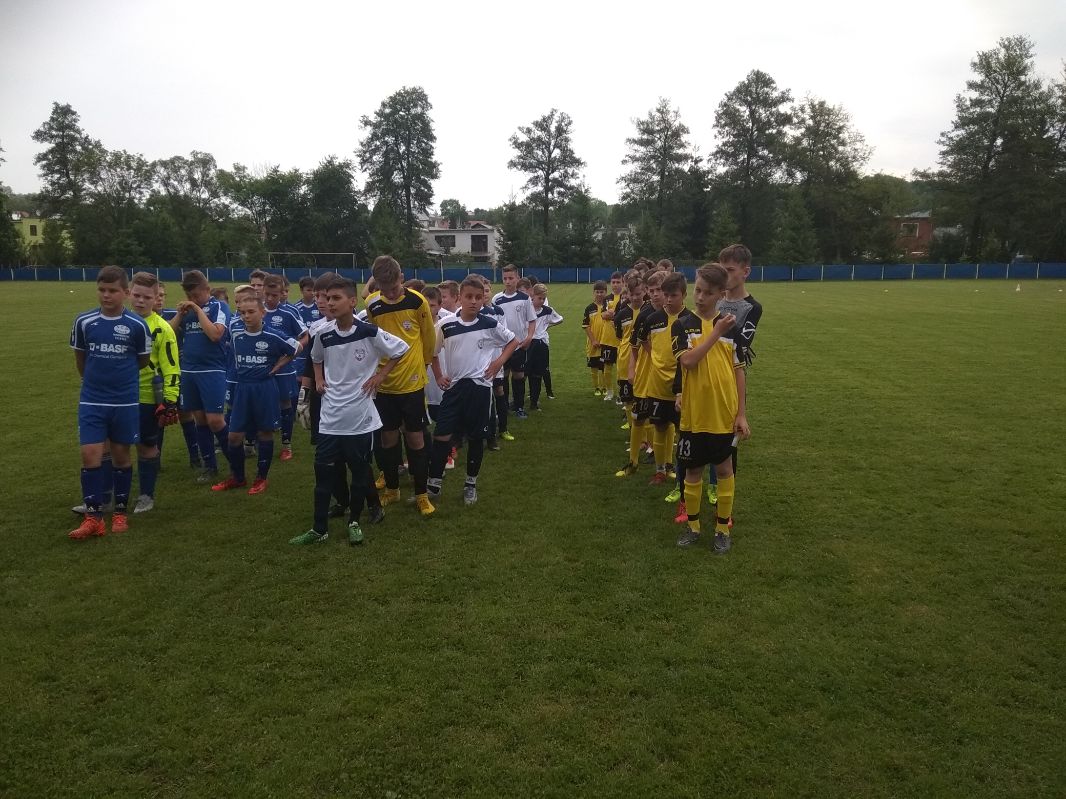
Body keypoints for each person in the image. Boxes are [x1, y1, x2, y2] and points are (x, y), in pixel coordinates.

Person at [290, 278, 409, 545]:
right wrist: (318, 379)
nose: (330, 303)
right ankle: (318, 529)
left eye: (336, 298)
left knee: (359, 473)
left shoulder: (369, 331)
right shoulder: (323, 333)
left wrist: (380, 376)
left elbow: (401, 349)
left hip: (359, 417)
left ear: (352, 301)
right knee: (323, 475)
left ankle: (354, 522)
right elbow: (315, 357)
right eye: (327, 298)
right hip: (330, 418)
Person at [68, 266, 151, 539]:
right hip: (92, 399)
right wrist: (93, 382)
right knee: (90, 454)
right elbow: (81, 359)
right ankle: (93, 517)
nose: (106, 295)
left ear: (125, 293)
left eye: (112, 290)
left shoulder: (137, 325)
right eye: (102, 290)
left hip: (124, 401)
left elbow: (142, 360)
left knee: (121, 456)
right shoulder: (84, 321)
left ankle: (119, 512)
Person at [672, 264, 749, 554]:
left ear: (720, 294)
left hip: (723, 412)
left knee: (725, 468)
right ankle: (693, 527)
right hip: (694, 413)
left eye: (707, 293)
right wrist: (716, 332)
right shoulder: (683, 324)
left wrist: (741, 413)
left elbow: (739, 371)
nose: (700, 297)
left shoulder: (731, 328)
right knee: (692, 470)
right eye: (698, 290)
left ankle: (722, 529)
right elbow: (688, 361)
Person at [426, 276, 519, 506]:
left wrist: (498, 363)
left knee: (477, 437)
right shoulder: (446, 325)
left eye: (478, 297)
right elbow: (433, 353)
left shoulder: (489, 323)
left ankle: (470, 484)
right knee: (441, 435)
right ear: (460, 298)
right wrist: (438, 376)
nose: (474, 301)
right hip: (454, 388)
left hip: (479, 389)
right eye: (469, 297)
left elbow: (513, 341)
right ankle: (434, 483)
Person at [364, 255, 437, 516]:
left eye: (394, 287)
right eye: (385, 289)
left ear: (401, 278)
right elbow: (375, 340)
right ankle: (392, 489)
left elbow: (428, 337)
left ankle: (421, 495)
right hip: (385, 384)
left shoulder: (417, 301)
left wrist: (424, 365)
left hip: (412, 382)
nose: (391, 293)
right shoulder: (372, 304)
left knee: (415, 438)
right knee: (388, 438)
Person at [211, 291, 301, 494]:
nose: (246, 316)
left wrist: (279, 365)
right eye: (242, 312)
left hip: (264, 388)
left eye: (251, 312)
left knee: (264, 432)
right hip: (242, 387)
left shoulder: (273, 335)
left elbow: (296, 347)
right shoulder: (236, 332)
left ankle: (261, 478)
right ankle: (238, 478)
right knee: (234, 436)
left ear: (262, 313)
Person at [170, 269, 230, 483]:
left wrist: (197, 309)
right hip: (189, 371)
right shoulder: (186, 311)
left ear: (207, 289)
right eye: (189, 296)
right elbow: (168, 334)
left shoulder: (218, 307)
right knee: (200, 420)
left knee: (215, 420)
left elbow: (215, 334)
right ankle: (210, 466)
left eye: (196, 295)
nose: (192, 299)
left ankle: (235, 462)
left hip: (212, 371)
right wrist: (180, 314)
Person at [129, 272, 180, 513]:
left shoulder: (162, 329)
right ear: (129, 293)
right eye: (136, 295)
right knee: (114, 446)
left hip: (148, 398)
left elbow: (171, 367)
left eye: (147, 297)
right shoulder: (120, 322)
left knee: (147, 446)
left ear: (155, 298)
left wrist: (170, 400)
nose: (141, 301)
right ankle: (106, 498)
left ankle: (146, 495)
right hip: (118, 397)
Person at [633, 272, 690, 485]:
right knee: (659, 427)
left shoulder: (690, 319)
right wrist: (654, 356)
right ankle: (659, 471)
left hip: (682, 384)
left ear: (684, 295)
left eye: (673, 295)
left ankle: (680, 470)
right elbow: (641, 340)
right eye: (666, 295)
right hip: (657, 383)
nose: (668, 299)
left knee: (683, 430)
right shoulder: (653, 319)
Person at [262, 274, 309, 461]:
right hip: (261, 367)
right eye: (267, 294)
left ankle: (286, 445)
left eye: (274, 295)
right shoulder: (257, 311)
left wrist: (291, 355)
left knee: (285, 404)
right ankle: (256, 441)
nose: (270, 298)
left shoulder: (289, 313)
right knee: (262, 403)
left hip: (285, 369)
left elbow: (305, 336)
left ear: (282, 293)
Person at [492, 264, 536, 419]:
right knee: (502, 377)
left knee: (518, 376)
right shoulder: (497, 299)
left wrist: (529, 337)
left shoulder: (524, 298)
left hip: (519, 345)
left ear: (517, 278)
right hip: (503, 347)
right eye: (505, 278)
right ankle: (503, 407)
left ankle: (519, 407)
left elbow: (532, 320)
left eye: (511, 278)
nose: (508, 281)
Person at [528, 284, 563, 410]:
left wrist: (547, 325)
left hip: (541, 345)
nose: (542, 301)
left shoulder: (548, 310)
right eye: (539, 298)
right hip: (528, 344)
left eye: (544, 298)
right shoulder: (527, 308)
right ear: (533, 296)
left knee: (538, 374)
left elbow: (560, 319)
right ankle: (520, 402)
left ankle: (534, 402)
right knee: (525, 373)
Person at [582, 281, 608, 395]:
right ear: (594, 293)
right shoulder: (589, 308)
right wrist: (593, 340)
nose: (599, 294)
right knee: (594, 366)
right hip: (593, 343)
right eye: (597, 292)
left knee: (604, 366)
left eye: (602, 292)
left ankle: (604, 387)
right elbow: (586, 326)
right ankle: (596, 388)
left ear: (606, 292)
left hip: (606, 342)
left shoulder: (609, 307)